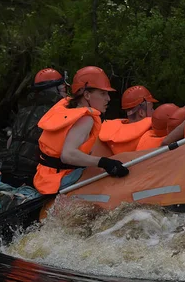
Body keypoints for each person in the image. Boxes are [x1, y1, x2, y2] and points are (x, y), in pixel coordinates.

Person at [33, 66, 129, 195]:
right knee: (106, 176)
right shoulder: (85, 119)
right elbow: (68, 155)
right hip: (59, 179)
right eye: (102, 93)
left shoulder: (67, 108)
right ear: (87, 95)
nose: (108, 99)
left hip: (44, 176)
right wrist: (104, 162)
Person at [0, 68, 67, 188]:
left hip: (7, 172)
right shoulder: (60, 111)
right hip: (32, 177)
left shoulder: (24, 110)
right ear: (57, 90)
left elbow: (10, 143)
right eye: (64, 89)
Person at [99, 85, 158, 154]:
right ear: (141, 112)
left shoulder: (108, 133)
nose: (154, 111)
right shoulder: (151, 135)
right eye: (151, 108)